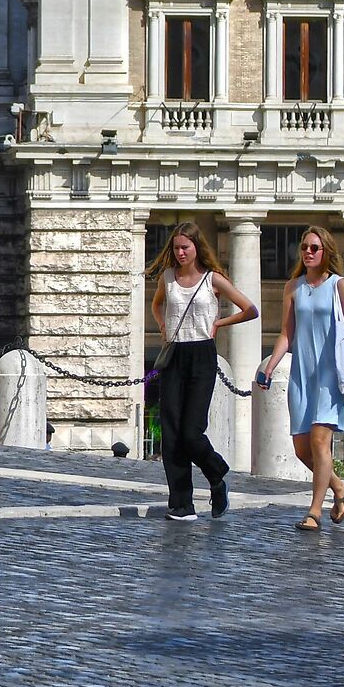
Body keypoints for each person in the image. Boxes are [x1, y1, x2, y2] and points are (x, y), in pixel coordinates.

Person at [145, 222, 258, 521]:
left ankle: (217, 475)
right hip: (175, 353)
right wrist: (163, 325)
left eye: (186, 247)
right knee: (171, 433)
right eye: (176, 248)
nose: (180, 253)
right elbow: (157, 305)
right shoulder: (167, 278)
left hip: (202, 353)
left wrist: (218, 324)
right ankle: (181, 503)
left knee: (191, 432)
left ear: (196, 247)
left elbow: (249, 309)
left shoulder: (213, 279)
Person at [259, 226, 344, 531]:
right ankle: (341, 487)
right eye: (304, 247)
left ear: (326, 252)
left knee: (321, 442)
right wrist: (269, 366)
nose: (308, 252)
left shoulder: (338, 285)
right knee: (302, 449)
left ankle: (315, 511)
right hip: (301, 374)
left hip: (331, 374)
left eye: (314, 248)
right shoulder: (292, 287)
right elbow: (286, 333)